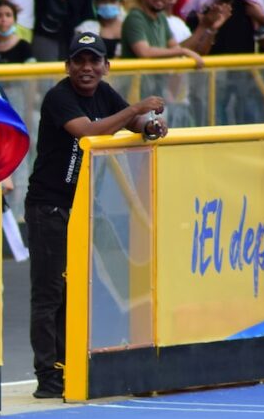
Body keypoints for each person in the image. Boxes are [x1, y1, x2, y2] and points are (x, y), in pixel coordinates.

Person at [25, 32, 166, 400]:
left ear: (106, 66)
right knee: (49, 293)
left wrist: (149, 126)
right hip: (48, 206)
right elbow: (87, 131)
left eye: (93, 61)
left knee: (77, 289)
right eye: (79, 61)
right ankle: (48, 375)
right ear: (67, 66)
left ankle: (71, 364)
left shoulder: (104, 93)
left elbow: (133, 124)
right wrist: (136, 110)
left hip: (82, 206)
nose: (86, 68)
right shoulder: (59, 97)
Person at [121, 0, 206, 61]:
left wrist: (204, 27)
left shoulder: (161, 16)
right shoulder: (135, 18)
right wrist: (183, 51)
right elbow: (144, 52)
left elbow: (175, 47)